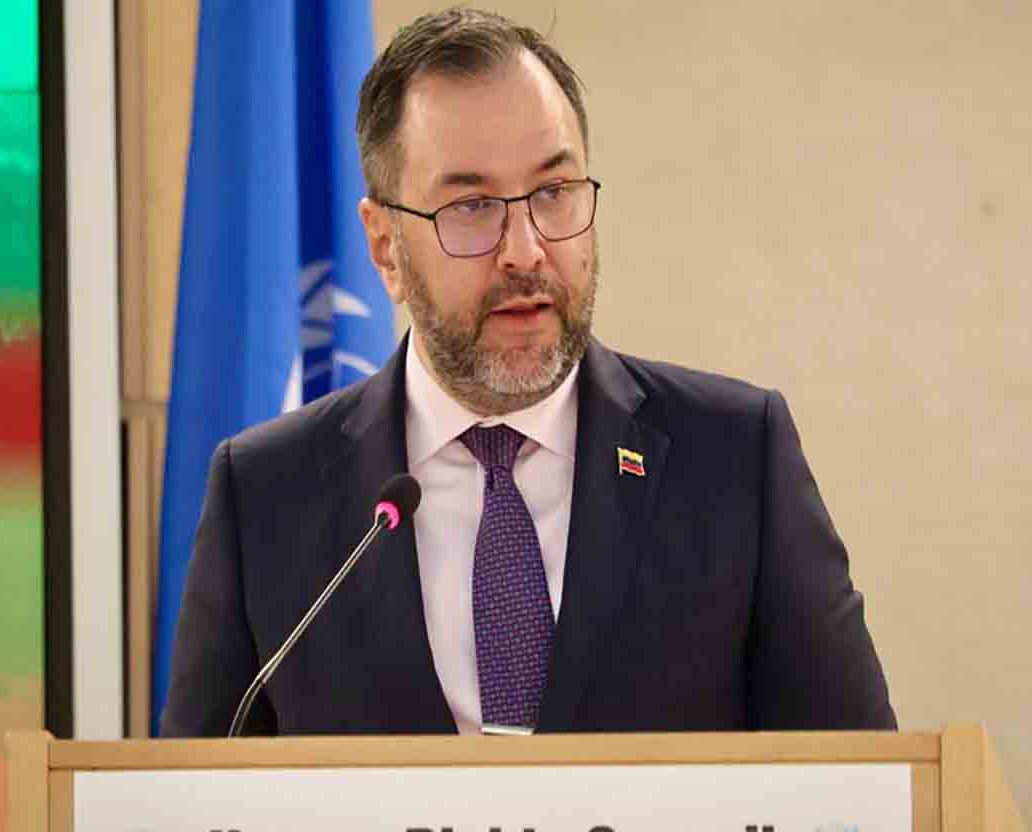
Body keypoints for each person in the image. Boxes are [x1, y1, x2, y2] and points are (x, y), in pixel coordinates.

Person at [160, 7, 895, 737]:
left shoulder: (735, 458)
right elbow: (195, 789)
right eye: (472, 206)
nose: (525, 250)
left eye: (553, 192)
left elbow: (862, 776)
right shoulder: (266, 494)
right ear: (385, 248)